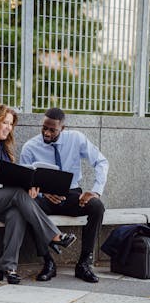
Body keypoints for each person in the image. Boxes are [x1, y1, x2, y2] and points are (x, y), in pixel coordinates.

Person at [0, 104, 76, 284]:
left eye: (11, 124)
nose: (8, 127)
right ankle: (54, 235)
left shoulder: (4, 150)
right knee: (15, 194)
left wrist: (29, 185)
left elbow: (9, 181)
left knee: (17, 213)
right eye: (5, 122)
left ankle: (8, 267)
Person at [20, 107, 109, 283]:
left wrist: (96, 191)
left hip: (71, 194)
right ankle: (48, 262)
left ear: (63, 128)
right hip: (43, 198)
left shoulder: (76, 138)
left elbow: (101, 161)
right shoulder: (30, 147)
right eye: (44, 127)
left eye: (52, 130)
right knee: (26, 208)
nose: (46, 132)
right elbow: (24, 181)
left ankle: (84, 263)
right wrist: (42, 193)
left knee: (97, 206)